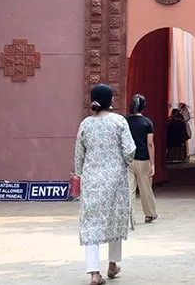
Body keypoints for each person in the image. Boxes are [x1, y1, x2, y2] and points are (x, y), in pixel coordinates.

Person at [74, 84, 136, 284]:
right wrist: (123, 163)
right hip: (115, 179)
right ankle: (112, 264)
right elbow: (129, 150)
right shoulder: (119, 121)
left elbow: (78, 155)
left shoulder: (85, 124)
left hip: (92, 179)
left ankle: (93, 272)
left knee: (91, 224)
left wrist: (80, 173)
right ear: (111, 101)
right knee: (114, 219)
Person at [126, 94, 158, 224]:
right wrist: (153, 163)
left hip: (128, 159)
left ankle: (128, 216)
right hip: (143, 158)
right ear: (143, 107)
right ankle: (149, 214)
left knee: (129, 188)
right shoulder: (147, 122)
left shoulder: (125, 121)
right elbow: (150, 143)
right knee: (145, 188)